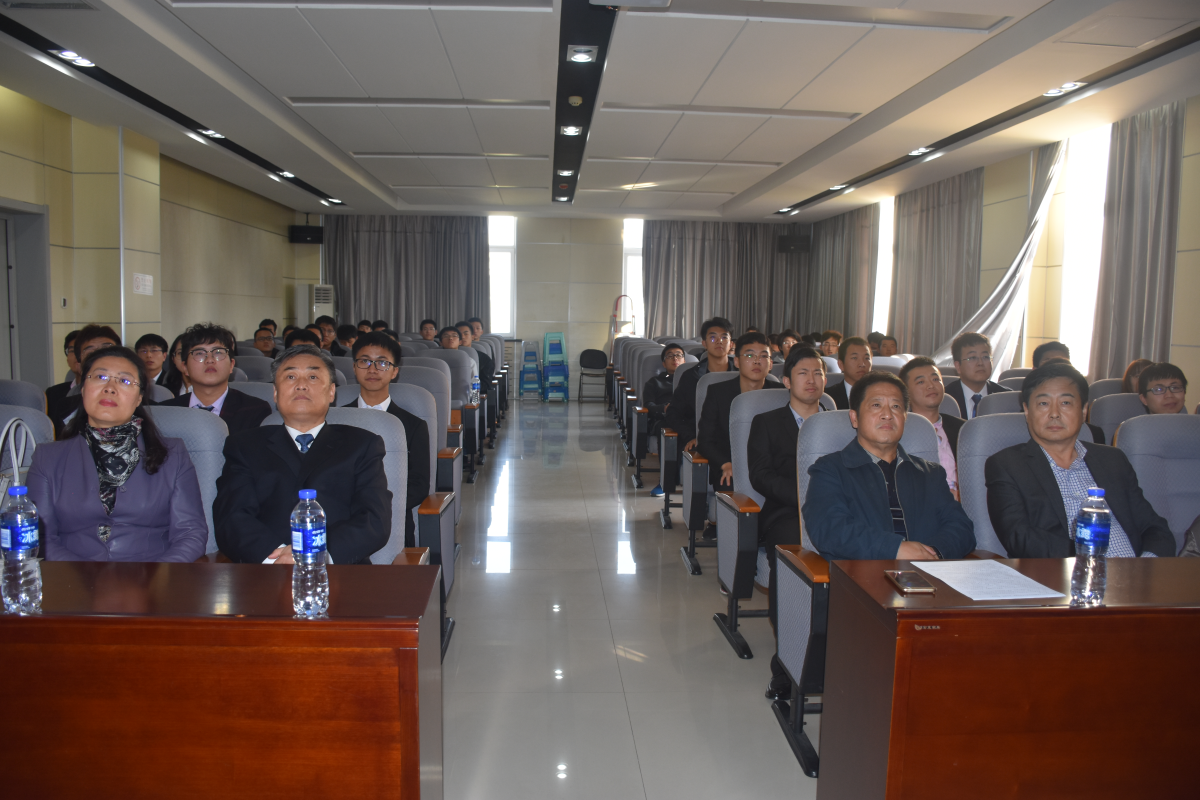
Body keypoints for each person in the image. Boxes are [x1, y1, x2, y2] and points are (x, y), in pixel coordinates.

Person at [214, 345, 392, 564]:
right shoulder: (244, 446)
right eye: (290, 377)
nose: (301, 385)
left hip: (339, 570)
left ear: (331, 392)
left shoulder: (362, 444)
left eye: (313, 377)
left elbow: (374, 520)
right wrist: (276, 556)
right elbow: (231, 517)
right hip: (267, 570)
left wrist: (316, 552)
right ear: (276, 393)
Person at [28, 346, 207, 562]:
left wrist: (154, 577)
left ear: (139, 398)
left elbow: (190, 533)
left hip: (153, 577)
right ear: (83, 389)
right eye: (100, 377)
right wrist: (87, 576)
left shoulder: (173, 454)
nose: (110, 388)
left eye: (124, 381)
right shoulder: (47, 458)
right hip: (72, 577)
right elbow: (40, 537)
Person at [985, 361, 1174, 558]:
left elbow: (1154, 528)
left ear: (1084, 411)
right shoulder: (1008, 465)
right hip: (1067, 572)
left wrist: (1146, 565)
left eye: (1066, 403)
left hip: (1136, 570)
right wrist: (1090, 559)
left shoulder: (1113, 460)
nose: (1054, 413)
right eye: (1043, 403)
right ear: (1026, 410)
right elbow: (1020, 538)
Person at [803, 372, 975, 561]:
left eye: (896, 406)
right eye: (876, 405)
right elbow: (829, 529)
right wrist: (896, 550)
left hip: (929, 573)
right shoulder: (830, 470)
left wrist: (932, 553)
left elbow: (961, 528)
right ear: (855, 418)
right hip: (860, 575)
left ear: (905, 418)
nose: (887, 415)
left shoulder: (930, 473)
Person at [749, 346, 827, 701]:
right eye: (803, 373)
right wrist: (805, 496)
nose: (812, 380)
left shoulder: (840, 422)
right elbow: (761, 475)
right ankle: (786, 666)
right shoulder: (766, 422)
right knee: (793, 567)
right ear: (786, 381)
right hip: (787, 512)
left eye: (818, 373)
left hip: (836, 513)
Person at [344, 332, 430, 548]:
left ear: (394, 372)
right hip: (340, 521)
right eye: (364, 361)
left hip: (392, 521)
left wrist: (375, 508)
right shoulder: (335, 419)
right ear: (354, 367)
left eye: (382, 363)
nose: (372, 369)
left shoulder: (413, 425)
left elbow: (419, 485)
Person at [698, 332, 781, 494]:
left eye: (763, 356)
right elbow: (705, 441)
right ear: (736, 361)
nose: (757, 361)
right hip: (731, 466)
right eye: (749, 355)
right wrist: (725, 464)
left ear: (771, 364)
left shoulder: (781, 394)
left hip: (773, 468)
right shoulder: (718, 393)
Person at [159, 323, 271, 435]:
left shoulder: (255, 410)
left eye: (218, 353)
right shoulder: (165, 411)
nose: (210, 360)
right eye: (199, 353)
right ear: (185, 368)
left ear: (231, 365)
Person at [662, 317, 736, 453]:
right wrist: (691, 436)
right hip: (700, 439)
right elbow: (673, 413)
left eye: (724, 337)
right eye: (713, 338)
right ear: (704, 344)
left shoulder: (741, 374)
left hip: (736, 440)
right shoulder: (691, 377)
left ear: (731, 344)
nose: (719, 341)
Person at [900, 356, 963, 499]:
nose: (930, 386)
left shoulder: (963, 429)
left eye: (935, 379)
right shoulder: (899, 432)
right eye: (921, 382)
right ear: (906, 392)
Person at [50, 325, 122, 436]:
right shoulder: (66, 409)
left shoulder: (144, 406)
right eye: (90, 353)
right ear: (79, 365)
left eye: (107, 350)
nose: (100, 358)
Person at [643, 344, 686, 497]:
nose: (675, 358)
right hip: (664, 419)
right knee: (669, 431)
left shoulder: (692, 381)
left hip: (686, 419)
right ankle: (666, 481)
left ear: (684, 360)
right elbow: (648, 406)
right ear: (663, 363)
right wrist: (664, 408)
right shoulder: (654, 382)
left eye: (679, 355)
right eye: (670, 356)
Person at [944, 332, 1009, 420]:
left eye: (985, 357)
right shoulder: (945, 399)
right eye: (972, 358)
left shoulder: (1006, 397)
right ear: (958, 366)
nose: (980, 363)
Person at [827, 336, 872, 410]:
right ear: (841, 365)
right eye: (854, 358)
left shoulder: (881, 394)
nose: (862, 364)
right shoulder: (828, 397)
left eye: (867, 358)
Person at [45, 329, 82, 414]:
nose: (77, 355)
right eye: (72, 351)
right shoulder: (53, 393)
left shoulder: (103, 390)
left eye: (81, 350)